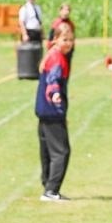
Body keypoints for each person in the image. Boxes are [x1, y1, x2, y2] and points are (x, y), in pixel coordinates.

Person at [34, 26, 75, 202]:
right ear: (56, 39)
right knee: (61, 151)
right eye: (65, 40)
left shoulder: (50, 55)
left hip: (43, 110)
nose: (69, 44)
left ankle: (47, 185)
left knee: (47, 151)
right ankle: (51, 190)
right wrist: (56, 95)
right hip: (52, 110)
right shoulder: (57, 58)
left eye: (71, 40)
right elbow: (53, 80)